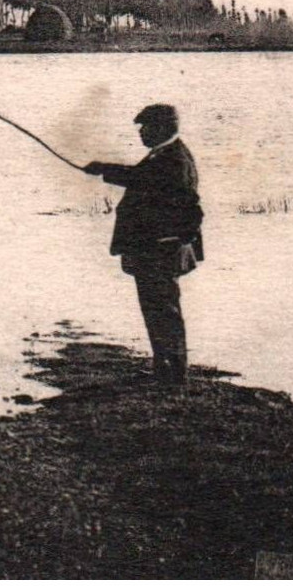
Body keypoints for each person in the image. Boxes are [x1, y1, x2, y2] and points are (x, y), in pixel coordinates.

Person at [82, 104, 203, 387]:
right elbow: (142, 178)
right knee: (158, 309)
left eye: (145, 128)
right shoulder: (164, 155)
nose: (141, 134)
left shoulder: (173, 159)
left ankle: (173, 375)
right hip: (154, 249)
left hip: (161, 250)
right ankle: (166, 370)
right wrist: (104, 169)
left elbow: (189, 208)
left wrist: (175, 240)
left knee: (163, 310)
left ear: (162, 128)